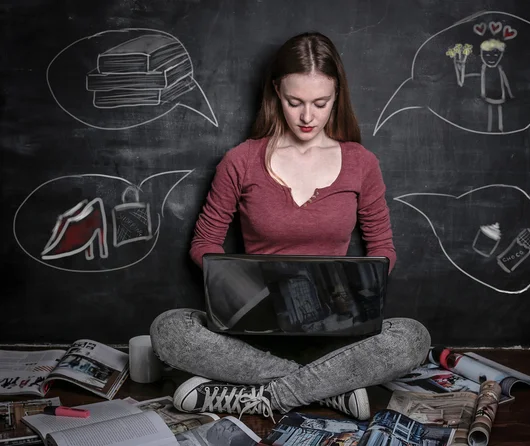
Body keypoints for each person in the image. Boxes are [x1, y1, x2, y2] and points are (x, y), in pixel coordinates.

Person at [150, 31, 431, 422]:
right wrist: (243, 288)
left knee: (414, 338)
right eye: (294, 102)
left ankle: (268, 395)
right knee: (169, 330)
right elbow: (204, 243)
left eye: (321, 103)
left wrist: (356, 291)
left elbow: (382, 245)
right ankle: (327, 392)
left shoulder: (361, 162)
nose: (307, 117)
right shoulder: (241, 161)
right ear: (276, 93)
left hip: (336, 334)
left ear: (337, 98)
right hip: (252, 336)